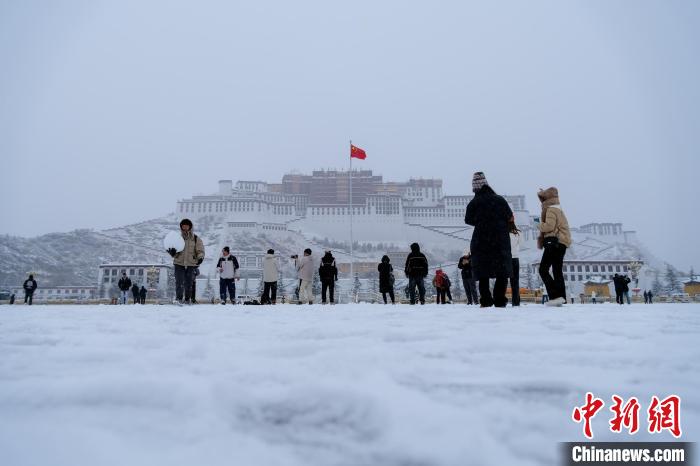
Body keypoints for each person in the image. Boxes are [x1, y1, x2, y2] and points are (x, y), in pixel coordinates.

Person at [465, 172, 513, 308]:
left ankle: (486, 300)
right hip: (500, 240)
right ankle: (499, 299)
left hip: (482, 240)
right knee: (501, 270)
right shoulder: (499, 200)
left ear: (475, 188)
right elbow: (509, 216)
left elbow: (468, 220)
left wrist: (481, 221)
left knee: (483, 271)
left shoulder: (474, 203)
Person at [535, 187, 571, 307]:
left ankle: (555, 296)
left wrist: (537, 224)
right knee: (557, 270)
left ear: (547, 199)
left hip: (554, 242)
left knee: (543, 269)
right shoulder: (558, 209)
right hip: (562, 243)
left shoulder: (550, 209)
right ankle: (562, 297)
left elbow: (549, 227)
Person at [167, 218, 205, 305]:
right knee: (179, 282)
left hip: (191, 264)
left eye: (186, 226)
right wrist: (172, 253)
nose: (185, 228)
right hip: (179, 263)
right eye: (183, 226)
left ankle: (188, 299)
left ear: (190, 227)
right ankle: (179, 298)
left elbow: (200, 250)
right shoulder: (177, 238)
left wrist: (200, 258)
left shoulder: (196, 239)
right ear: (181, 227)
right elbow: (174, 251)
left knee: (189, 283)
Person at [508, 217, 522, 307]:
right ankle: (516, 302)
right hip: (515, 258)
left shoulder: (504, 232)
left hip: (506, 258)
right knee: (515, 281)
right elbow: (521, 244)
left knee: (503, 280)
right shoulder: (518, 233)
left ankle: (501, 300)